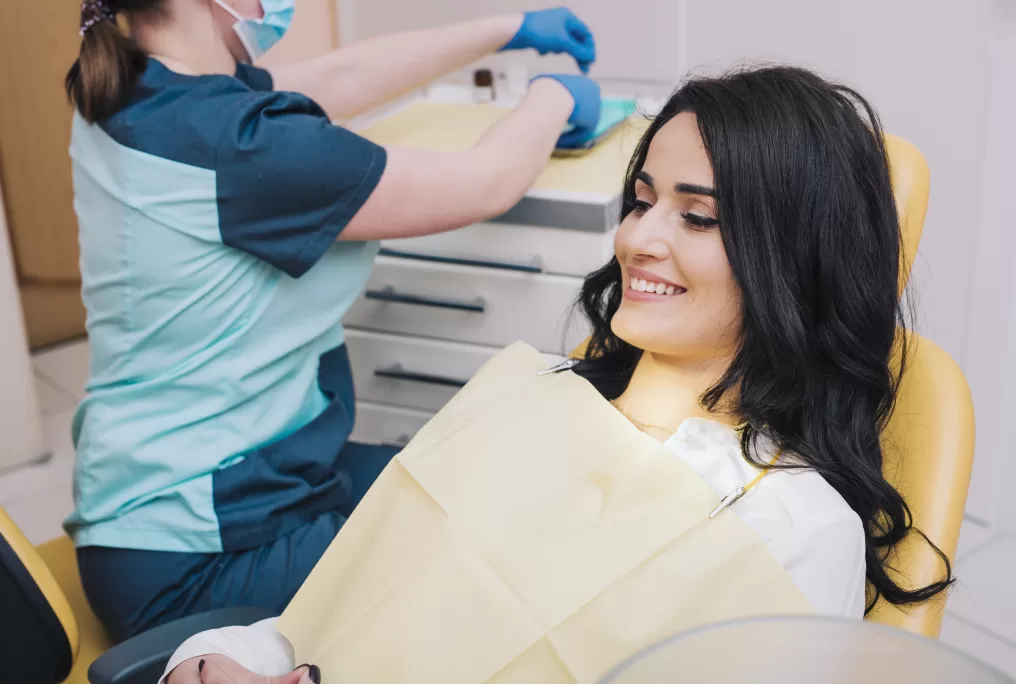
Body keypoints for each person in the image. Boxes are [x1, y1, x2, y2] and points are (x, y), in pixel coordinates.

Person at [160, 64, 955, 684]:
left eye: (698, 216)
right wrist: (212, 660)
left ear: (794, 263)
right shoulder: (526, 391)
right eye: (641, 202)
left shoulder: (794, 527)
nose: (639, 238)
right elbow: (319, 617)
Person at [64, 0, 604, 641]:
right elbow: (483, 182)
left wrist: (507, 30)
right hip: (195, 560)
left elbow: (342, 75)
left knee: (466, 477)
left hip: (170, 499)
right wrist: (553, 100)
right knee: (492, 568)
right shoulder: (238, 142)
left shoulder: (140, 90)